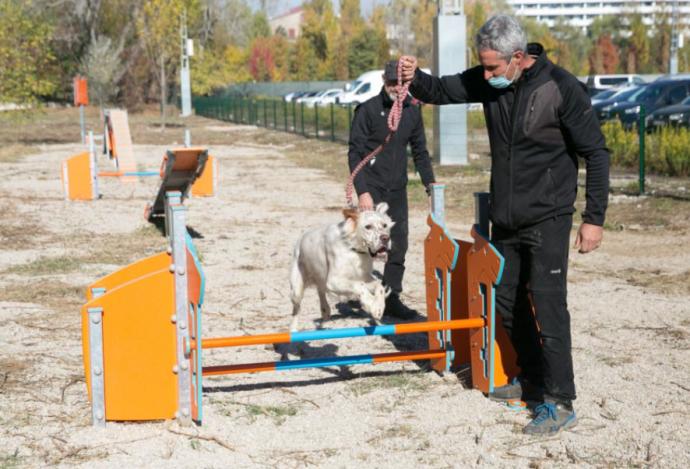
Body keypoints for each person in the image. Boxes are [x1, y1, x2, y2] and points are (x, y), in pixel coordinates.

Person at [399, 14, 610, 435]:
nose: (487, 74)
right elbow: (442, 89)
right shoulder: (489, 79)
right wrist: (414, 76)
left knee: (549, 308)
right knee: (505, 302)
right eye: (484, 66)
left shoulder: (561, 88)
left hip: (549, 216)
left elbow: (597, 154)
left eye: (493, 67)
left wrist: (593, 219)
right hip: (507, 218)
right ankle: (531, 381)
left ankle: (559, 401)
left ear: (518, 57)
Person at [348, 60, 436, 320]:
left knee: (398, 244)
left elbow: (420, 150)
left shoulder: (411, 111)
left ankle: (390, 297)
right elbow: (355, 153)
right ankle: (360, 290)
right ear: (384, 82)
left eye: (401, 84)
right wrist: (362, 191)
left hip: (397, 188)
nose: (397, 89)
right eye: (392, 83)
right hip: (372, 187)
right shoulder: (367, 110)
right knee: (366, 244)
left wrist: (430, 183)